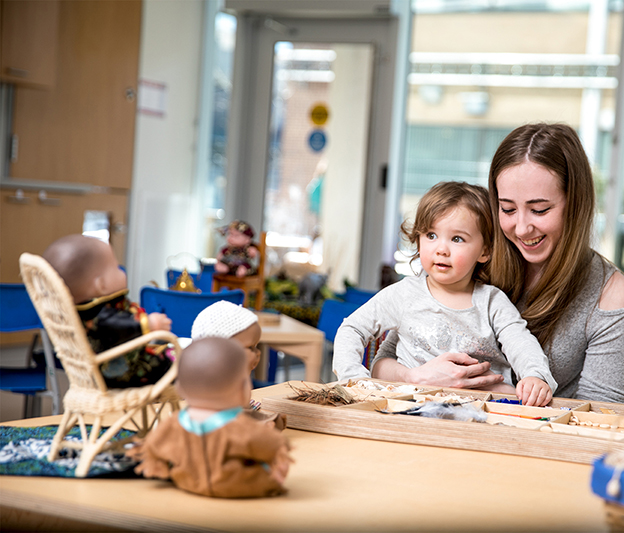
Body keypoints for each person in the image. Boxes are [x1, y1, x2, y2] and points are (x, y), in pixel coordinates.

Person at [373, 123, 624, 404]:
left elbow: (599, 414)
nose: (522, 228)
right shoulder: (469, 257)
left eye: (539, 210)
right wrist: (416, 377)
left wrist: (506, 396)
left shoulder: (611, 294)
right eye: (508, 209)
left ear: (575, 204)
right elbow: (383, 363)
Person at [333, 181, 557, 406]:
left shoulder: (492, 301)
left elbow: (520, 342)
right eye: (431, 235)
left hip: (483, 409)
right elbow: (352, 328)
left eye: (457, 239)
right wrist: (353, 378)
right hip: (411, 408)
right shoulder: (403, 294)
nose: (441, 249)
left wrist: (535, 375)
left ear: (485, 251)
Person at [127, 337, 292, 498]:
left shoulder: (175, 422)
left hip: (186, 480)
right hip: (236, 485)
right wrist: (278, 455)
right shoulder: (239, 426)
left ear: (180, 389)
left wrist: (156, 463)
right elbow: (272, 445)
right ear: (242, 390)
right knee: (270, 469)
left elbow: (152, 445)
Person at [42, 234, 174, 388]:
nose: (122, 271)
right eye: (117, 267)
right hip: (119, 372)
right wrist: (150, 323)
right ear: (102, 285)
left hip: (103, 367)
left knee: (162, 350)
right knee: (167, 364)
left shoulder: (79, 311)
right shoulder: (97, 315)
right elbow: (119, 325)